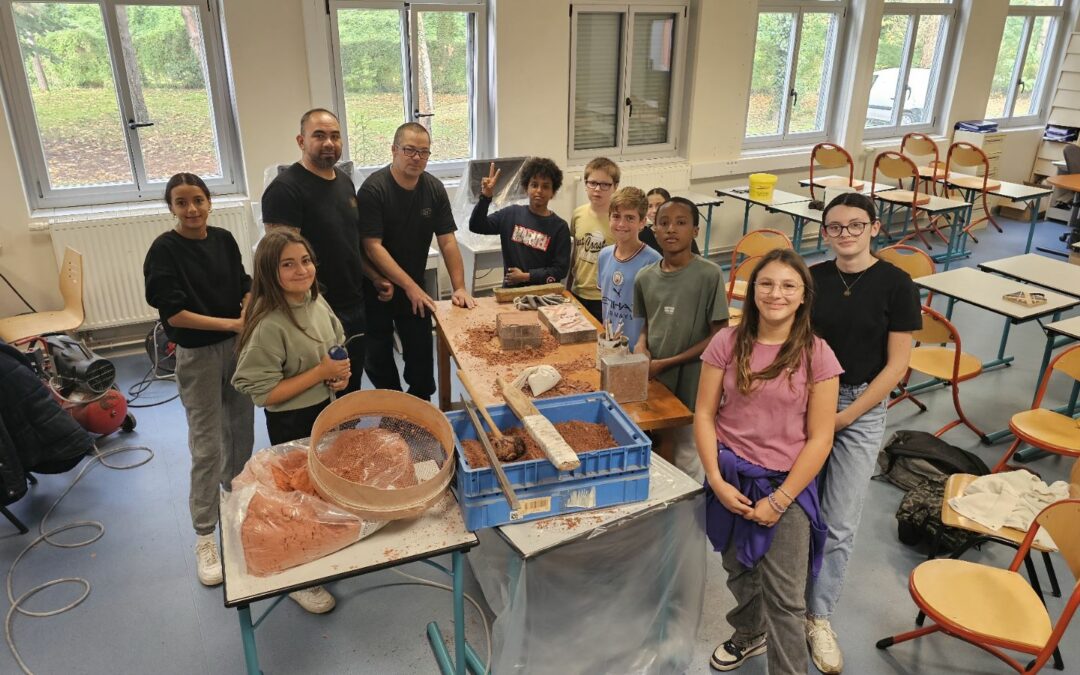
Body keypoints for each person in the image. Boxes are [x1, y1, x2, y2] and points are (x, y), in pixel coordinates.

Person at [696, 247, 842, 675]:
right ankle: (748, 632)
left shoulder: (817, 354)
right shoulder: (726, 342)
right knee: (738, 568)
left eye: (788, 286)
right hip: (730, 475)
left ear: (802, 297)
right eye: (766, 283)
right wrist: (717, 481)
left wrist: (779, 501)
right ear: (751, 290)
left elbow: (821, 437)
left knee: (785, 597)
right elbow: (704, 413)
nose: (775, 293)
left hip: (786, 483)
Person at [803, 193, 921, 674]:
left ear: (875, 227)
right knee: (794, 507)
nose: (845, 234)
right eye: (835, 227)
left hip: (861, 405)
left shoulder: (897, 283)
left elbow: (896, 367)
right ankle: (784, 604)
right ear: (825, 233)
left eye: (855, 225)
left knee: (839, 519)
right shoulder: (813, 278)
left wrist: (846, 418)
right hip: (808, 399)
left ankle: (818, 615)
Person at [142, 173, 254, 589]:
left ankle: (236, 506)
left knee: (241, 432)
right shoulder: (164, 251)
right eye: (181, 202)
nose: (191, 209)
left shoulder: (223, 240)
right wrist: (232, 322)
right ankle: (205, 535)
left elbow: (243, 283)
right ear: (170, 206)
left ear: (210, 202)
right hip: (198, 356)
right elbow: (174, 314)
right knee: (208, 444)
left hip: (237, 351)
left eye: (198, 200)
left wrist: (245, 311)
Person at [232, 229, 351, 615]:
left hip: (324, 410)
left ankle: (325, 543)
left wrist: (340, 374)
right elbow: (261, 392)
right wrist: (320, 372)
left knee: (323, 486)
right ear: (270, 272)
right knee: (297, 499)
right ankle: (301, 576)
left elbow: (337, 344)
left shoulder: (315, 302)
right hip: (292, 421)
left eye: (305, 260)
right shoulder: (270, 324)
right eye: (288, 264)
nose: (302, 270)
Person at [261, 108, 392, 395]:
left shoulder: (343, 182)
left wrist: (373, 276)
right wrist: (304, 311)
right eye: (319, 136)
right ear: (301, 141)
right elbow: (281, 262)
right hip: (314, 310)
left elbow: (348, 242)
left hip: (353, 303)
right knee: (320, 391)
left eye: (335, 136)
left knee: (349, 385)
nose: (329, 143)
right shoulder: (284, 191)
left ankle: (347, 438)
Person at [358, 122, 475, 401]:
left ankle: (419, 403)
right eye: (409, 150)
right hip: (378, 286)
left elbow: (447, 240)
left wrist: (459, 287)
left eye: (424, 152)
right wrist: (407, 285)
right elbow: (372, 247)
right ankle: (394, 406)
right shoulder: (374, 190)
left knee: (421, 354)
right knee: (378, 355)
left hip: (415, 287)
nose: (416, 158)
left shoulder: (433, 189)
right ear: (394, 150)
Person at [633, 197, 728, 481]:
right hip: (657, 379)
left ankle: (693, 515)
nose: (671, 229)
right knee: (661, 442)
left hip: (694, 381)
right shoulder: (644, 278)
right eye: (663, 223)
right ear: (654, 229)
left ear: (696, 231)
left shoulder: (708, 275)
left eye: (681, 223)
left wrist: (668, 362)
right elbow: (647, 324)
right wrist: (641, 346)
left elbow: (719, 334)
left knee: (690, 451)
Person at [469, 157, 571, 287]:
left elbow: (560, 270)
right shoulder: (510, 215)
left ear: (553, 192)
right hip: (510, 296)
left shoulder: (559, 227)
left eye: (545, 186)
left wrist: (527, 277)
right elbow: (476, 226)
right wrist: (485, 197)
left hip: (543, 296)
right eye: (534, 185)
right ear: (525, 188)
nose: (539, 190)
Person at [597, 186, 660, 352]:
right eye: (616, 216)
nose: (621, 224)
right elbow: (608, 302)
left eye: (630, 218)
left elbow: (656, 314)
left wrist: (642, 343)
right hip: (609, 345)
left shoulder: (653, 261)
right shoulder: (604, 255)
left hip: (638, 349)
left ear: (642, 222)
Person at [568, 157, 619, 319]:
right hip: (578, 291)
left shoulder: (619, 220)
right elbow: (574, 253)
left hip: (605, 296)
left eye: (605, 185)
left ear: (615, 187)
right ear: (585, 184)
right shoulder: (578, 214)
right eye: (593, 183)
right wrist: (568, 286)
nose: (597, 189)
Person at [640, 187, 700, 255]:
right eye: (650, 206)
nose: (654, 210)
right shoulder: (642, 235)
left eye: (659, 205)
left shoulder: (681, 232)